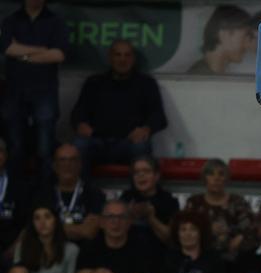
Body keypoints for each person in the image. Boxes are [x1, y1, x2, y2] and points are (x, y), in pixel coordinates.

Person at [70, 39, 167, 170]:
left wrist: (146, 129)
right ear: (110, 57)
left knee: (142, 146)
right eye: (118, 55)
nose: (123, 60)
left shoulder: (146, 84)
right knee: (79, 144)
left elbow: (159, 116)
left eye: (127, 55)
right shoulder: (94, 83)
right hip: (97, 141)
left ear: (133, 58)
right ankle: (81, 190)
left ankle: (136, 191)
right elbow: (77, 113)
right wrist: (80, 124)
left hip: (129, 143)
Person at [0, 0, 69, 184]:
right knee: (15, 147)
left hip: (44, 90)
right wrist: (40, 50)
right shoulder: (11, 20)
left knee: (44, 148)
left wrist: (21, 55)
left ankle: (44, 193)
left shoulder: (56, 21)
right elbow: (7, 48)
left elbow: (58, 55)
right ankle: (15, 192)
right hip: (14, 91)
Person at [75, 200, 155, 273]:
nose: (116, 222)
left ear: (129, 222)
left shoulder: (141, 248)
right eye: (110, 217)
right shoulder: (89, 247)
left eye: (122, 217)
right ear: (101, 222)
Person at [183, 159, 254, 260]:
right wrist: (207, 230)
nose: (216, 178)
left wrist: (240, 238)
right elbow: (183, 231)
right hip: (200, 259)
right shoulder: (194, 203)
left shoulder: (238, 202)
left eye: (221, 174)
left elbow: (252, 230)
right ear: (204, 178)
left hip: (233, 259)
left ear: (227, 178)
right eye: (211, 174)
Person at [14, 201, 79, 273]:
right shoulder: (21, 248)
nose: (42, 222)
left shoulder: (71, 250)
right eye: (37, 218)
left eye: (47, 217)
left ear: (56, 221)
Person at [119, 156, 179, 246]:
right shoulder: (126, 197)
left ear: (156, 176)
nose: (141, 175)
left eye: (146, 171)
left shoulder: (169, 201)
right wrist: (128, 214)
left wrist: (151, 218)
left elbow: (171, 239)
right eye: (136, 172)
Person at [50, 142, 105, 242]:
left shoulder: (94, 193)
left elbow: (89, 231)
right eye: (62, 160)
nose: (67, 164)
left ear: (80, 165)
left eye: (72, 160)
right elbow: (36, 229)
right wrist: (78, 229)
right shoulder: (44, 192)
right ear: (54, 166)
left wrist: (52, 228)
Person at [187, 5, 252, 75]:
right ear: (225, 34)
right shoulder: (199, 76)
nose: (247, 45)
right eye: (245, 35)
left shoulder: (210, 73)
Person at [0, 138, 29, 251]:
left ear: (6, 156)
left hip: (12, 245)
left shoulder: (19, 185)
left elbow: (27, 222)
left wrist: (15, 248)